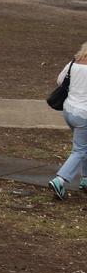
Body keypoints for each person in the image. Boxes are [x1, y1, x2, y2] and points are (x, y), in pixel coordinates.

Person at [49, 43, 87, 199]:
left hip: (69, 111)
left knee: (84, 145)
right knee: (79, 150)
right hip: (84, 114)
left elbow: (60, 80)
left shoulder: (74, 63)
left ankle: (85, 178)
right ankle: (60, 180)